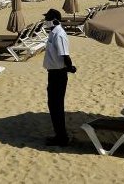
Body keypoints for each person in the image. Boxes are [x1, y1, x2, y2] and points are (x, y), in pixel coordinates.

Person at [42, 8, 76, 146]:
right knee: (53, 104)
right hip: (53, 73)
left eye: (48, 18)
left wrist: (70, 67)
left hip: (58, 74)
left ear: (55, 20)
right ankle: (59, 134)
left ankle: (62, 137)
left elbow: (64, 55)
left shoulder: (59, 34)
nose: (46, 21)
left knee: (56, 105)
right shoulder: (53, 33)